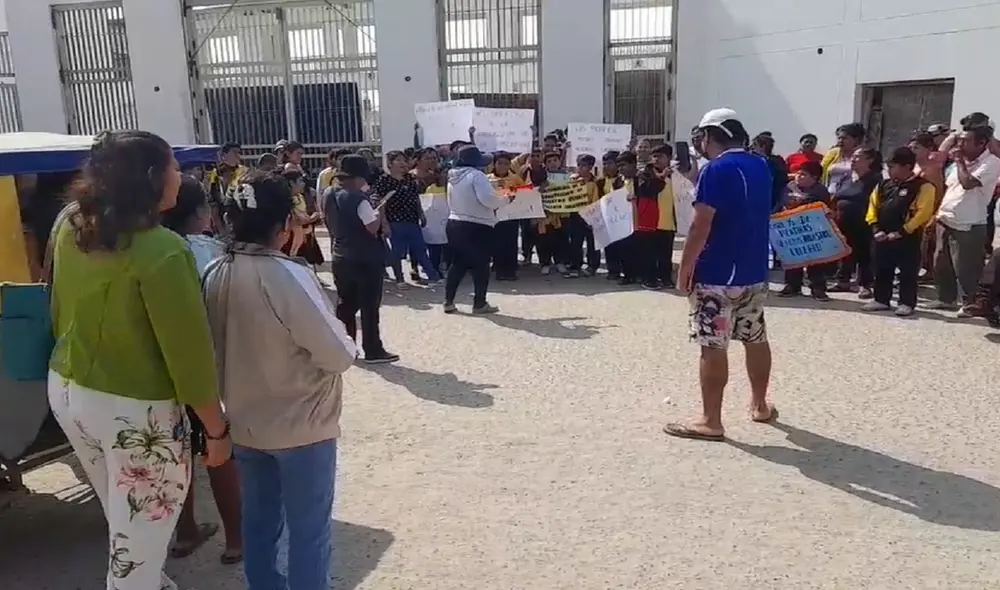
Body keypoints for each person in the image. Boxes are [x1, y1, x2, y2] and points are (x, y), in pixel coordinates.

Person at [48, 130, 230, 590]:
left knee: (128, 523)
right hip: (133, 412)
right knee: (136, 555)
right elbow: (190, 360)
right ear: (152, 178)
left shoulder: (71, 224)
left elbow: (55, 302)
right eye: (173, 167)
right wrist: (217, 430)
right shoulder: (162, 250)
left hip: (69, 387)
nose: (180, 176)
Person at [202, 171, 358, 590]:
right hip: (302, 426)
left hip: (246, 422)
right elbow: (338, 354)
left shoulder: (215, 271)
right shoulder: (286, 274)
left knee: (259, 523)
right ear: (284, 224)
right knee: (309, 533)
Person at [666, 108, 775, 442]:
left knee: (712, 345)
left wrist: (685, 269)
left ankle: (711, 420)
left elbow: (701, 224)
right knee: (755, 337)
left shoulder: (717, 168)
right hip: (753, 270)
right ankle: (760, 405)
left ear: (711, 136)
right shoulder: (761, 165)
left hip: (717, 273)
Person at [160, 176, 243, 565]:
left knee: (180, 451)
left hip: (163, 368)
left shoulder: (151, 248)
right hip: (208, 365)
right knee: (218, 446)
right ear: (200, 212)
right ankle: (235, 539)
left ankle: (186, 530)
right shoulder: (210, 251)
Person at [325, 154, 400, 363]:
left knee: (345, 304)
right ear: (357, 177)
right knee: (369, 306)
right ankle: (373, 349)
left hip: (340, 255)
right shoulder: (359, 199)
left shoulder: (329, 193)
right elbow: (372, 227)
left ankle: (345, 346)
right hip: (366, 258)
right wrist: (379, 211)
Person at [928, 126, 1000, 314]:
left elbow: (967, 183)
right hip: (946, 218)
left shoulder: (991, 163)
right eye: (958, 140)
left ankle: (971, 303)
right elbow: (950, 188)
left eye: (965, 141)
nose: (960, 144)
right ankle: (946, 298)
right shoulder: (957, 162)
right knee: (941, 262)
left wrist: (960, 161)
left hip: (969, 224)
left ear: (982, 143)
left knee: (967, 267)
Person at [861, 147, 936, 316]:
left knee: (907, 270)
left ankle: (906, 302)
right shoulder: (884, 184)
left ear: (907, 166)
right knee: (881, 268)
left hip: (907, 236)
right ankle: (881, 299)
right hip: (882, 235)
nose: (889, 170)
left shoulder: (923, 186)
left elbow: (923, 213)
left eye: (893, 166)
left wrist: (902, 231)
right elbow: (872, 207)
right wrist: (876, 228)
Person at [444, 145, 513, 314]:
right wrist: (506, 200)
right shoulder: (477, 176)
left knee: (458, 264)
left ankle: (449, 301)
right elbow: (487, 200)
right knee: (481, 265)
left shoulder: (452, 177)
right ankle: (479, 303)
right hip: (477, 226)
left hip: (455, 222)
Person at [373, 150, 442, 284]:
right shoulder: (384, 181)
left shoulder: (410, 179)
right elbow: (380, 204)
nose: (402, 163)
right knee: (397, 253)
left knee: (420, 249)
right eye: (398, 160)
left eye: (404, 160)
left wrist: (421, 213)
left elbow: (415, 198)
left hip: (412, 219)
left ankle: (433, 277)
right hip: (394, 221)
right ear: (390, 164)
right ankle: (399, 279)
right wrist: (384, 223)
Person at [829, 147, 883, 298]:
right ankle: (843, 280)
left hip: (863, 222)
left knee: (864, 254)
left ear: (870, 160)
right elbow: (837, 196)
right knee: (845, 251)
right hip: (843, 220)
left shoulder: (875, 180)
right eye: (853, 156)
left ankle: (865, 285)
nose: (853, 159)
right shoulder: (847, 177)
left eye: (858, 157)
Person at [778, 161, 832, 300]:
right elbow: (783, 202)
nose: (798, 176)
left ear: (814, 178)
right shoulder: (788, 187)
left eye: (803, 174)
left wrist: (796, 199)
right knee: (792, 257)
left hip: (813, 231)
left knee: (816, 261)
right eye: (798, 173)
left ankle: (818, 288)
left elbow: (808, 204)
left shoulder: (820, 191)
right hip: (792, 230)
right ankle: (792, 285)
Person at [489, 152, 525, 281]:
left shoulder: (515, 179)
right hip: (495, 217)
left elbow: (525, 194)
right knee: (497, 243)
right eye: (500, 163)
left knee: (511, 243)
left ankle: (511, 270)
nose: (503, 166)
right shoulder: (488, 179)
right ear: (494, 164)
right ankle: (499, 270)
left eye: (506, 164)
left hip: (511, 217)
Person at [566, 154, 601, 278]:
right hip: (575, 215)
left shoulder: (595, 183)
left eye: (584, 166)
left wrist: (592, 218)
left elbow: (595, 200)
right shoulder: (572, 180)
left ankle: (592, 266)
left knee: (592, 243)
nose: (581, 168)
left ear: (591, 167)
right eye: (579, 165)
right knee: (575, 242)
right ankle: (575, 265)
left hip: (590, 216)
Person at [822, 123, 865, 193]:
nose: (840, 141)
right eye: (839, 138)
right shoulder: (833, 153)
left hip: (853, 198)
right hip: (830, 196)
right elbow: (821, 171)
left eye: (844, 138)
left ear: (856, 140)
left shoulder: (863, 155)